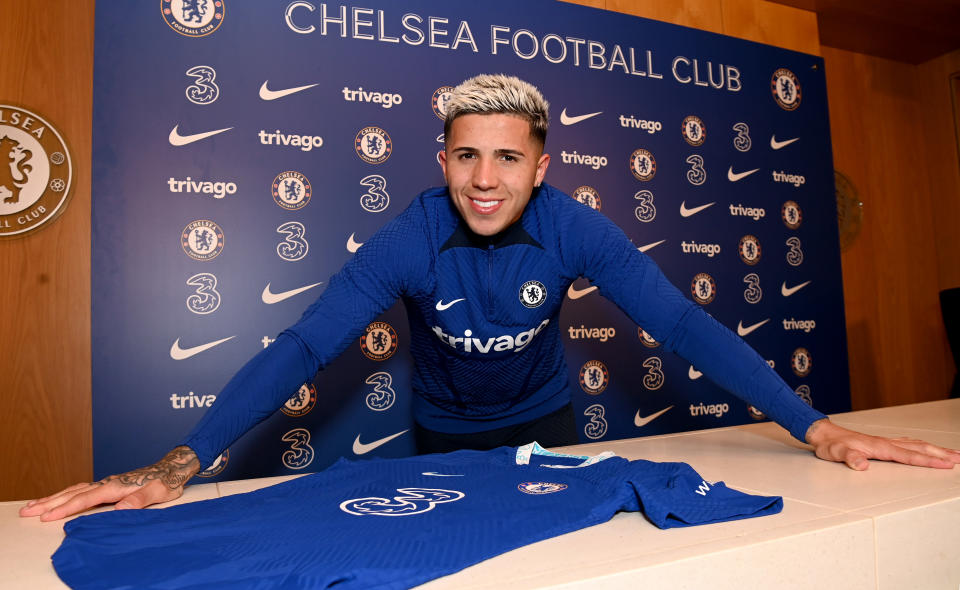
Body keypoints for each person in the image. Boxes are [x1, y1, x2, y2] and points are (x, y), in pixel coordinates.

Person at [21, 74, 960, 522]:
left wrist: (813, 426)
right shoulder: (407, 237)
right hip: (443, 431)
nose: (484, 177)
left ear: (541, 166)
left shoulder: (575, 227)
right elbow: (306, 349)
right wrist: (183, 461)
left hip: (547, 419)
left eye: (508, 156)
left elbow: (675, 321)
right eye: (466, 154)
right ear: (442, 161)